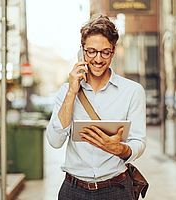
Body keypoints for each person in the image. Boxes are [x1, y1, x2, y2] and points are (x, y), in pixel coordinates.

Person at [46, 14, 146, 200]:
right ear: (82, 51)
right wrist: (71, 92)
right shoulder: (66, 92)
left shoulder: (132, 91)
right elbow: (54, 140)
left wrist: (119, 149)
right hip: (73, 190)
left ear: (113, 51)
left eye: (105, 52)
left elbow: (139, 142)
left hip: (116, 189)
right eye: (91, 51)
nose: (98, 59)